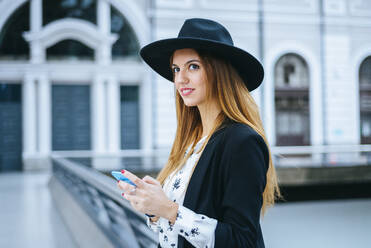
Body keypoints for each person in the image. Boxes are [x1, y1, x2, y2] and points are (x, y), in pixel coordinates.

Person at [117, 18, 281, 248]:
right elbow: (180, 226)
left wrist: (168, 209)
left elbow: (242, 240)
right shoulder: (192, 141)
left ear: (219, 72)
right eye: (176, 69)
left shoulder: (242, 141)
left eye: (193, 66)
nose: (180, 79)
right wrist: (154, 207)